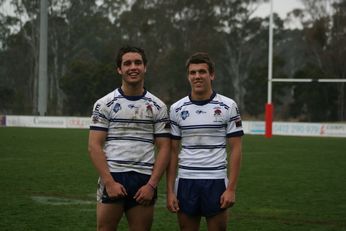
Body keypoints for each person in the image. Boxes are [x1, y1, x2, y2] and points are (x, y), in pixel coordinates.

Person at [88, 45, 171, 231]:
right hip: (113, 177)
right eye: (127, 63)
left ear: (145, 67)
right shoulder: (104, 104)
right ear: (119, 69)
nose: (133, 67)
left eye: (138, 63)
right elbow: (94, 146)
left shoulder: (158, 106)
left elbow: (165, 148)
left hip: (144, 181)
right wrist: (109, 183)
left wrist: (151, 185)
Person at [166, 52, 244, 231]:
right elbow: (172, 151)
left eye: (202, 72)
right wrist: (170, 191)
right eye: (193, 73)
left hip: (215, 181)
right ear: (188, 76)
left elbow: (236, 148)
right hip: (186, 181)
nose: (197, 76)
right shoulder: (177, 108)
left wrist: (231, 188)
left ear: (212, 75)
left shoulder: (228, 106)